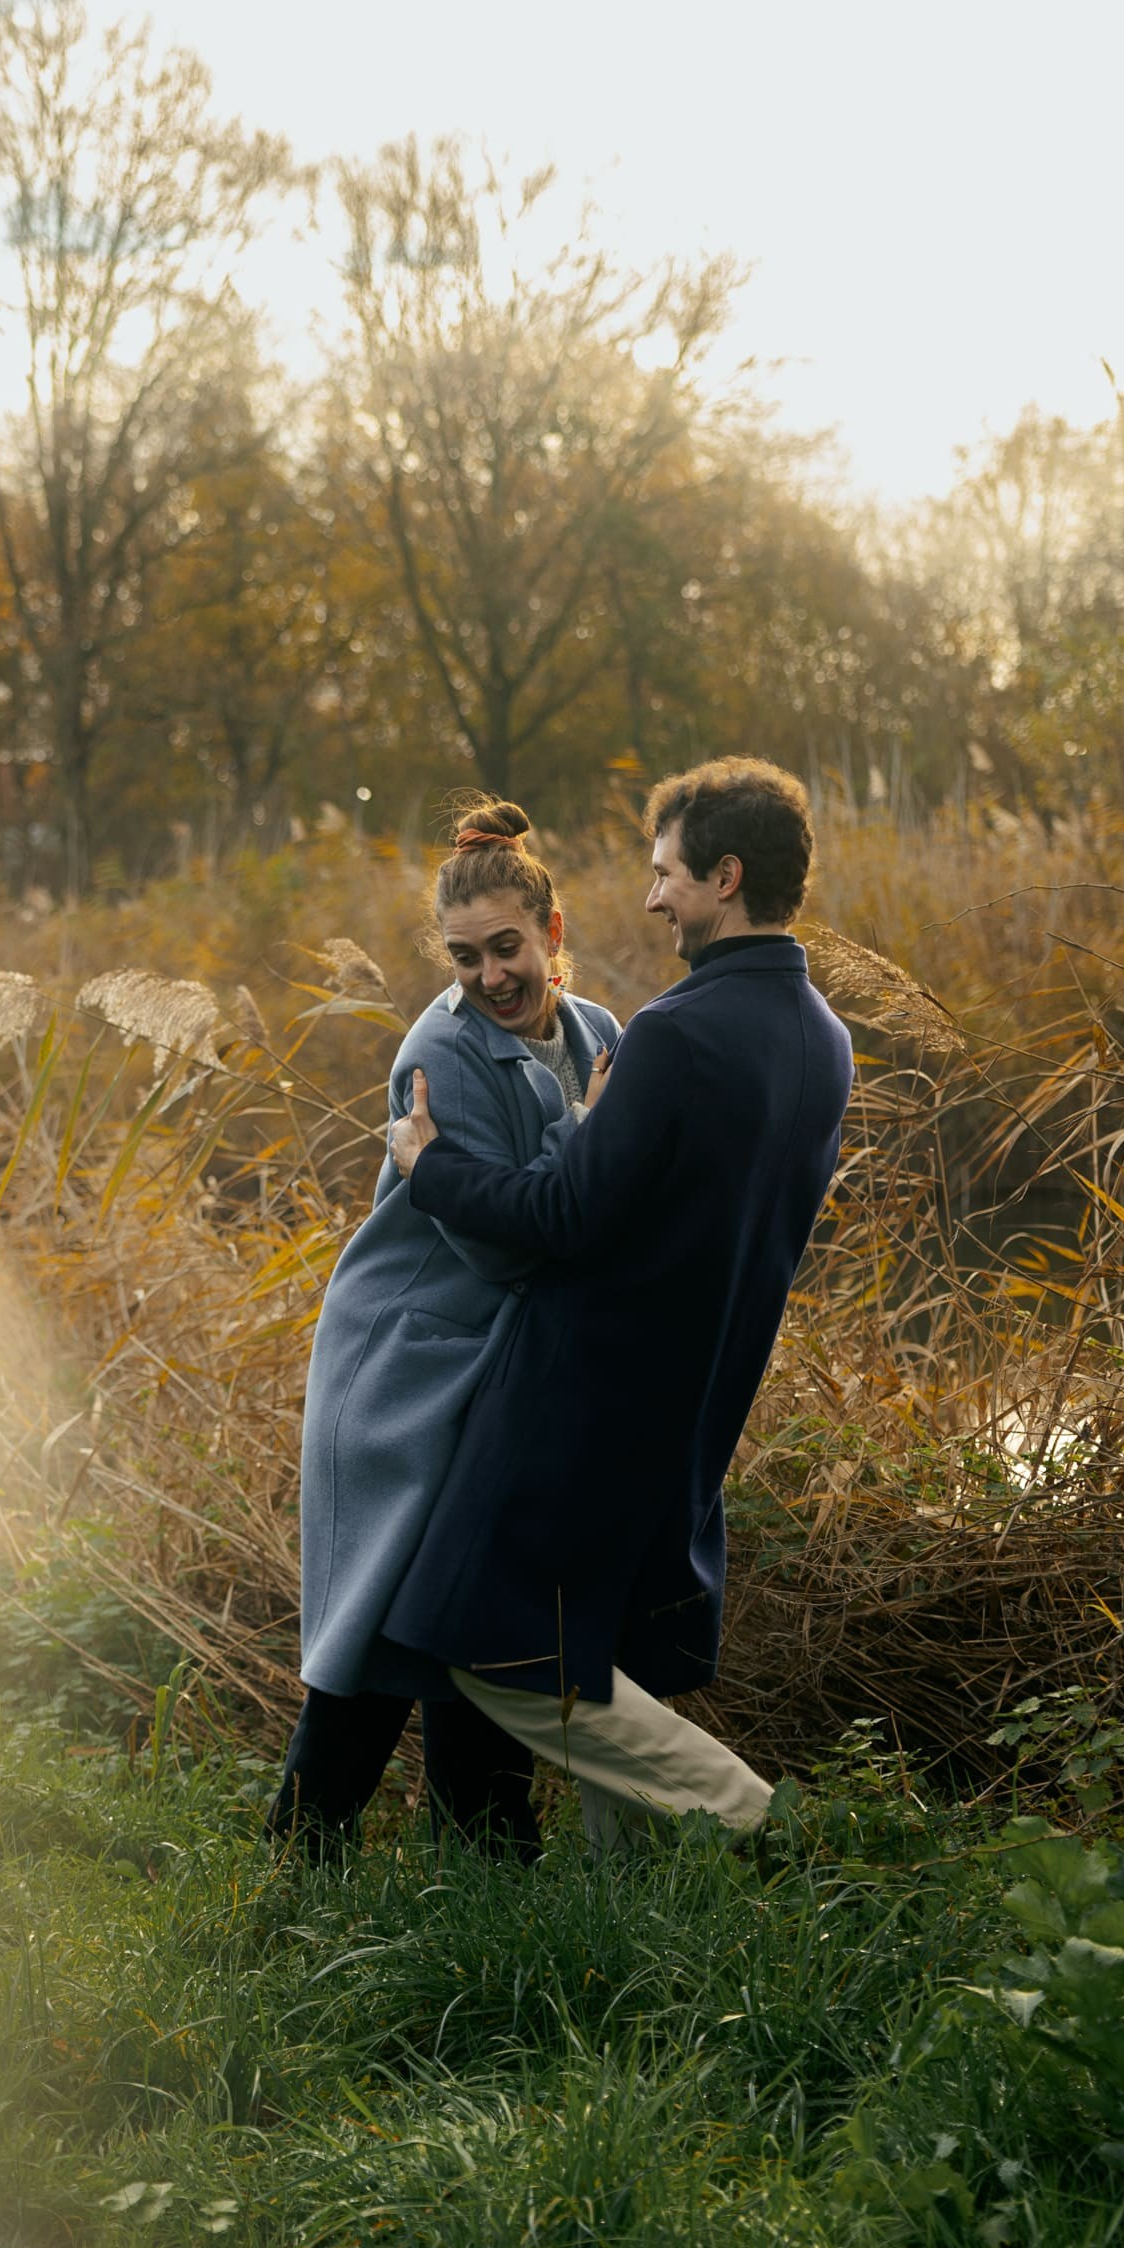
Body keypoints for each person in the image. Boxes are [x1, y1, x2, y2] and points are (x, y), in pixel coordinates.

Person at [381, 756, 854, 1848]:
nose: (650, 898)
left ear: (724, 877)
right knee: (612, 1644)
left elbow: (562, 1219)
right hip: (700, 1391)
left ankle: (754, 1821)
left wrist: (429, 1167)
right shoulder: (821, 1035)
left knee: (493, 1645)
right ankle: (629, 1907)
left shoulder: (675, 1034)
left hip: (588, 1390)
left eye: (663, 874)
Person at [264, 800, 622, 1857]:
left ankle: (485, 1854)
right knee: (383, 1626)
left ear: (552, 933)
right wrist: (589, 1145)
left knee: (473, 1612)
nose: (489, 976)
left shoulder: (596, 1030)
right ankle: (295, 1863)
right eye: (465, 958)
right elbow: (511, 1246)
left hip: (492, 1373)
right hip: (407, 1370)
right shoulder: (441, 1052)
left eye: (507, 948)